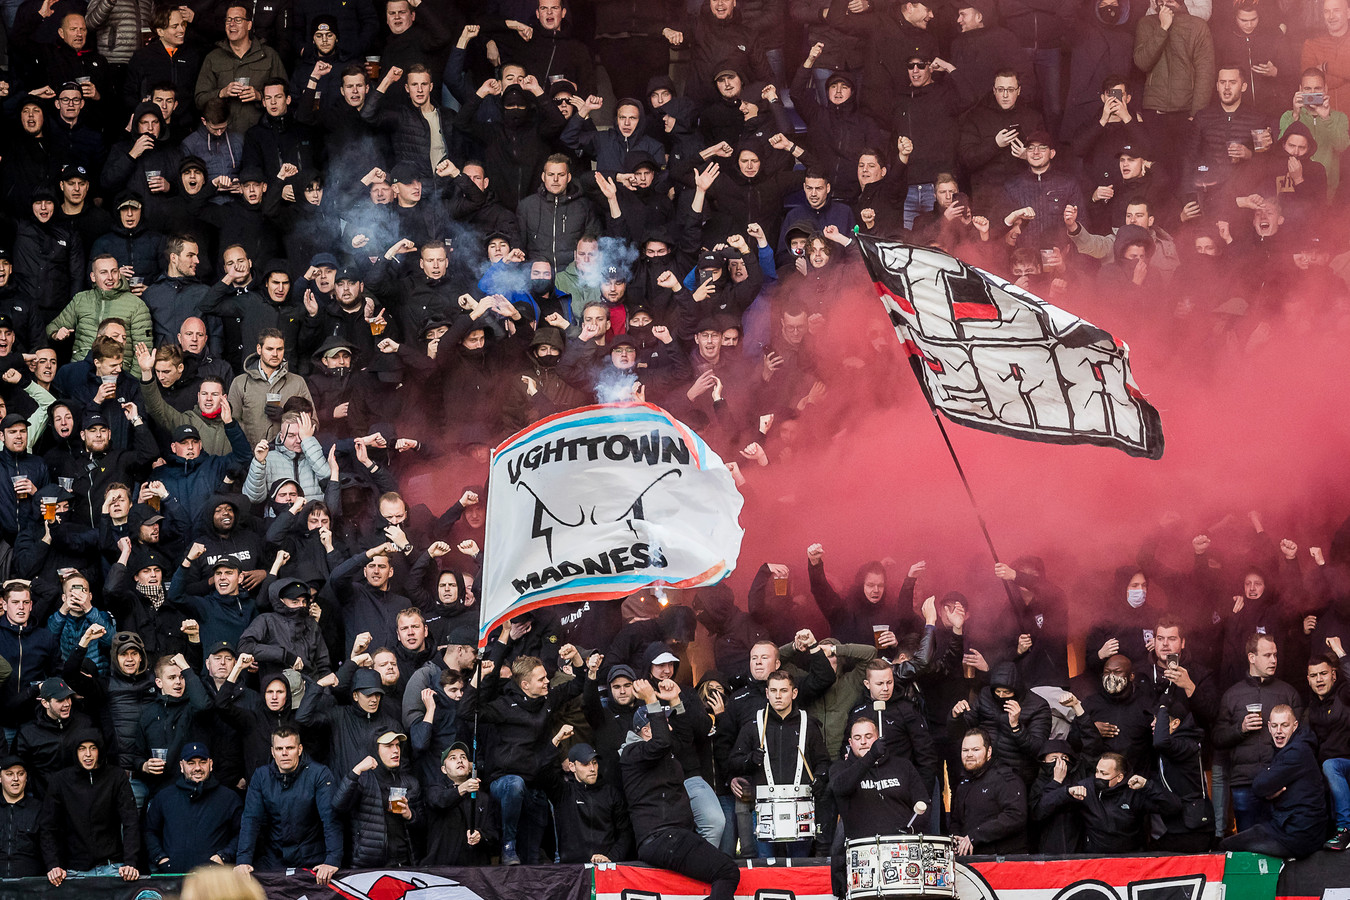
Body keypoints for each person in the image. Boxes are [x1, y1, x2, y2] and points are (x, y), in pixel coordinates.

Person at [621, 678, 741, 900]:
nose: (669, 727)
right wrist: (650, 699)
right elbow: (661, 743)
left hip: (674, 836)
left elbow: (684, 738)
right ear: (647, 730)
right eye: (664, 724)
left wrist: (676, 700)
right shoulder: (632, 753)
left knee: (725, 870)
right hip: (662, 837)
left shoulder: (663, 748)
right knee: (727, 871)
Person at [1214, 633, 1303, 832]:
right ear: (1251, 657)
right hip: (1245, 783)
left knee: (1281, 843)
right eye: (1267, 655)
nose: (1274, 660)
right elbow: (1218, 738)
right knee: (1247, 845)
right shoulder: (1232, 695)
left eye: (1275, 655)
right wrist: (1241, 728)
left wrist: (1285, 775)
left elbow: (1301, 740)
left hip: (1280, 783)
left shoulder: (1288, 693)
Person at [235, 728, 343, 884]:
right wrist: (243, 861)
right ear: (273, 752)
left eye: (290, 748)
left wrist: (332, 860)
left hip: (312, 858)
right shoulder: (261, 776)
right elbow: (251, 820)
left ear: (299, 749)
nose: (284, 753)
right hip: (274, 858)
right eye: (279, 749)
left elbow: (330, 818)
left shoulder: (319, 773)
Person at [1222, 705, 1328, 857]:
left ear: (1295, 726)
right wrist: (1268, 790)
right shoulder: (1285, 749)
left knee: (1226, 845)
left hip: (1299, 836)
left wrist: (1267, 788)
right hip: (1287, 828)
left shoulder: (1298, 750)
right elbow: (1264, 787)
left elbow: (1259, 786)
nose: (1279, 731)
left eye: (1285, 725)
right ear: (1269, 727)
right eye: (1275, 726)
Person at [39, 730, 140, 885]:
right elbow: (48, 826)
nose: (88, 754)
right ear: (75, 752)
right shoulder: (60, 781)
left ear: (100, 750)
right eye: (82, 749)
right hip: (74, 870)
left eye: (93, 748)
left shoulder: (116, 776)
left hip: (112, 866)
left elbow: (130, 821)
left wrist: (130, 862)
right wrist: (53, 865)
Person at [144, 742, 245, 872]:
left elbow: (243, 833)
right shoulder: (164, 797)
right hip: (172, 879)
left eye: (202, 762)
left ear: (211, 764)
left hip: (214, 880)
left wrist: (224, 856)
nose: (197, 768)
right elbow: (149, 831)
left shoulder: (229, 798)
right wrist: (161, 859)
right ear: (181, 766)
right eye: (191, 763)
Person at [949, 728, 1028, 854]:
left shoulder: (1005, 778)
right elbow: (956, 821)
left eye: (975, 750)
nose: (969, 754)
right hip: (970, 863)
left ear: (989, 751)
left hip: (1003, 861)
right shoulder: (963, 784)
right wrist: (956, 838)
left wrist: (976, 835)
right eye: (965, 750)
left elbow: (1015, 815)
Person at [0, 755, 46, 877]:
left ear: (26, 778)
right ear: (0, 778)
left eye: (20, 774)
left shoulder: (39, 809)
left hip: (29, 888)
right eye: (9, 774)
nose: (15, 779)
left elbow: (49, 844)